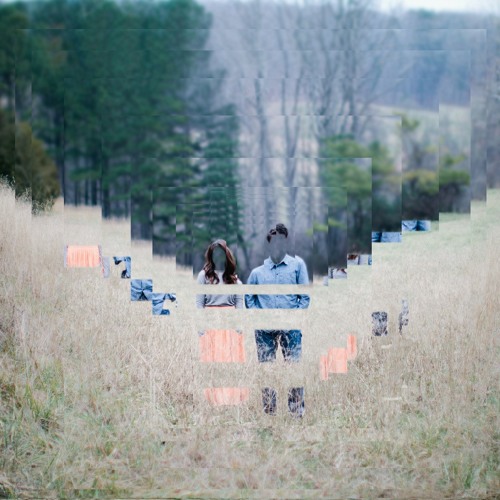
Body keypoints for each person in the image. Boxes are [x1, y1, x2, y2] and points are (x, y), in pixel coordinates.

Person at [245, 223, 309, 418]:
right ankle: (269, 413)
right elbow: (249, 297)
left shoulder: (297, 266)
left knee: (294, 368)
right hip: (264, 331)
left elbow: (305, 297)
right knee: (267, 371)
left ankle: (296, 412)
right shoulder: (257, 273)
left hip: (291, 328)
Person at [196, 239, 243, 309]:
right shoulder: (203, 275)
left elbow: (239, 306)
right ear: (210, 256)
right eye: (214, 253)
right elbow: (199, 304)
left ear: (226, 256)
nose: (218, 256)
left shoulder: (234, 278)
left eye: (221, 253)